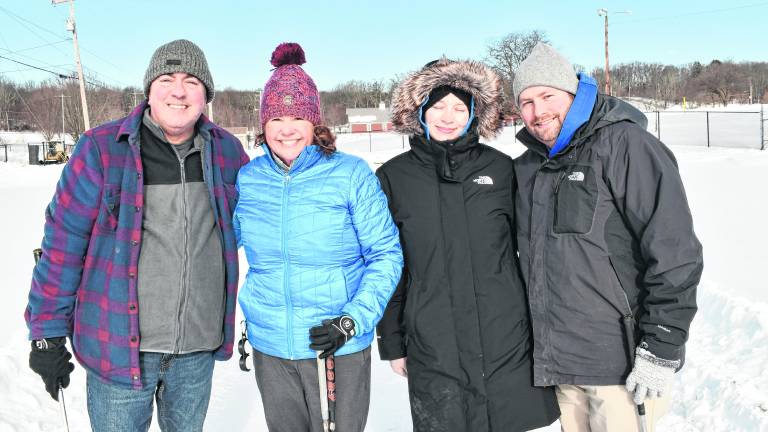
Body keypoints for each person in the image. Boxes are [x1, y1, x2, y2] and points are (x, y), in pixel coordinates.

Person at [25, 39, 250, 431]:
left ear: (206, 95)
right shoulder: (101, 149)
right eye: (167, 78)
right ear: (149, 89)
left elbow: (270, 220)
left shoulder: (228, 153)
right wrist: (47, 332)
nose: (178, 91)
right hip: (119, 349)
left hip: (196, 351)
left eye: (191, 81)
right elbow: (62, 245)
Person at [512, 42, 703, 432]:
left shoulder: (625, 145)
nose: (537, 111)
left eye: (547, 95)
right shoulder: (529, 167)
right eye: (526, 102)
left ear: (573, 92)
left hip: (620, 363)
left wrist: (662, 346)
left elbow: (674, 250)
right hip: (561, 365)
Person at [375, 57, 560, 431]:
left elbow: (532, 252)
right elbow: (390, 264)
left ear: (474, 113)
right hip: (433, 339)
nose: (448, 116)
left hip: (505, 334)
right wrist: (393, 341)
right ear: (421, 111)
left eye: (459, 107)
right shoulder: (393, 177)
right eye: (438, 106)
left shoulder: (501, 169)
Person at [234, 42, 403, 432]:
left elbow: (385, 255)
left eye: (297, 116)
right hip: (272, 346)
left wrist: (351, 321)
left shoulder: (351, 175)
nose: (286, 128)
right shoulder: (250, 179)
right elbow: (221, 243)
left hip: (334, 344)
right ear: (263, 125)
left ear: (315, 123)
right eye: (276, 118)